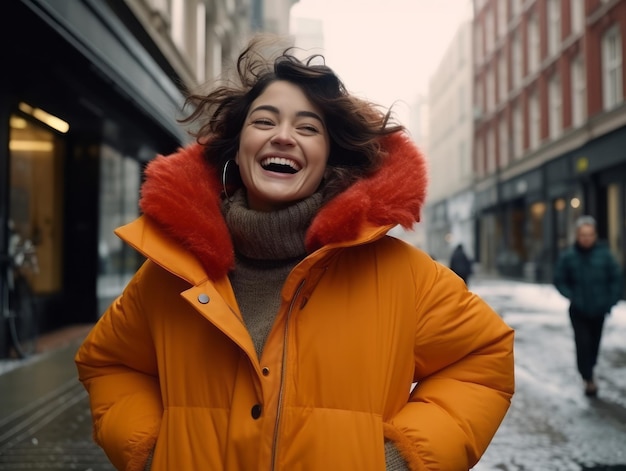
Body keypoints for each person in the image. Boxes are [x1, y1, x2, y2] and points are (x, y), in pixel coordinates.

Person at [75, 35, 515, 471]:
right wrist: (152, 451)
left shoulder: (404, 276)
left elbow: (483, 360)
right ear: (238, 146)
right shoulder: (172, 274)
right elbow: (109, 363)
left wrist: (401, 458)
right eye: (264, 122)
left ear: (329, 156)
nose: (283, 137)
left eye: (307, 128)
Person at [553, 215, 622, 397]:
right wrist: (572, 295)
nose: (586, 238)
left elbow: (616, 278)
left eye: (590, 234)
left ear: (595, 235)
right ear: (577, 235)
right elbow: (559, 279)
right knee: (582, 343)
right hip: (579, 310)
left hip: (599, 309)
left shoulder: (605, 255)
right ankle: (588, 377)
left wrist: (611, 300)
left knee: (594, 344)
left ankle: (590, 369)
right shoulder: (569, 256)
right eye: (583, 234)